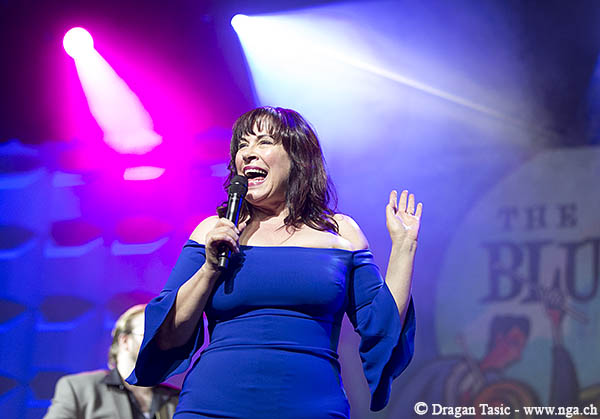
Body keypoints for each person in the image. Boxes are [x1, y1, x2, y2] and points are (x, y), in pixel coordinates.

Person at [127, 106, 421, 418]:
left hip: (310, 406)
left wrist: (404, 247)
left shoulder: (340, 232)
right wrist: (210, 267)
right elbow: (169, 336)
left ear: (298, 158)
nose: (247, 153)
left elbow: (381, 326)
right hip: (212, 405)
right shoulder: (213, 231)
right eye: (242, 145)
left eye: (264, 142)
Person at [44, 304, 179, 419]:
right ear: (124, 340)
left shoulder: (176, 398)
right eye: (149, 335)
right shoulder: (80, 388)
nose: (159, 343)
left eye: (163, 337)